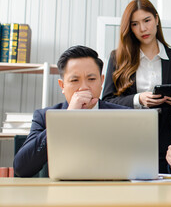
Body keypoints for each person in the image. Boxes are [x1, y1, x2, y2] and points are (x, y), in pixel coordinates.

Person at [102, 0, 171, 173]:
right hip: (128, 140)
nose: (143, 28)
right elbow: (106, 102)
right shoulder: (118, 58)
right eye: (135, 24)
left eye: (147, 20)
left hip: (166, 142)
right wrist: (138, 99)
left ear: (156, 19)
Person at [13, 45, 128, 177]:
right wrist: (66, 117)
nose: (84, 87)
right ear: (62, 85)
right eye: (75, 80)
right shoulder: (44, 117)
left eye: (91, 79)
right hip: (61, 193)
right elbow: (21, 168)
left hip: (113, 191)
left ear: (101, 81)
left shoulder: (125, 115)